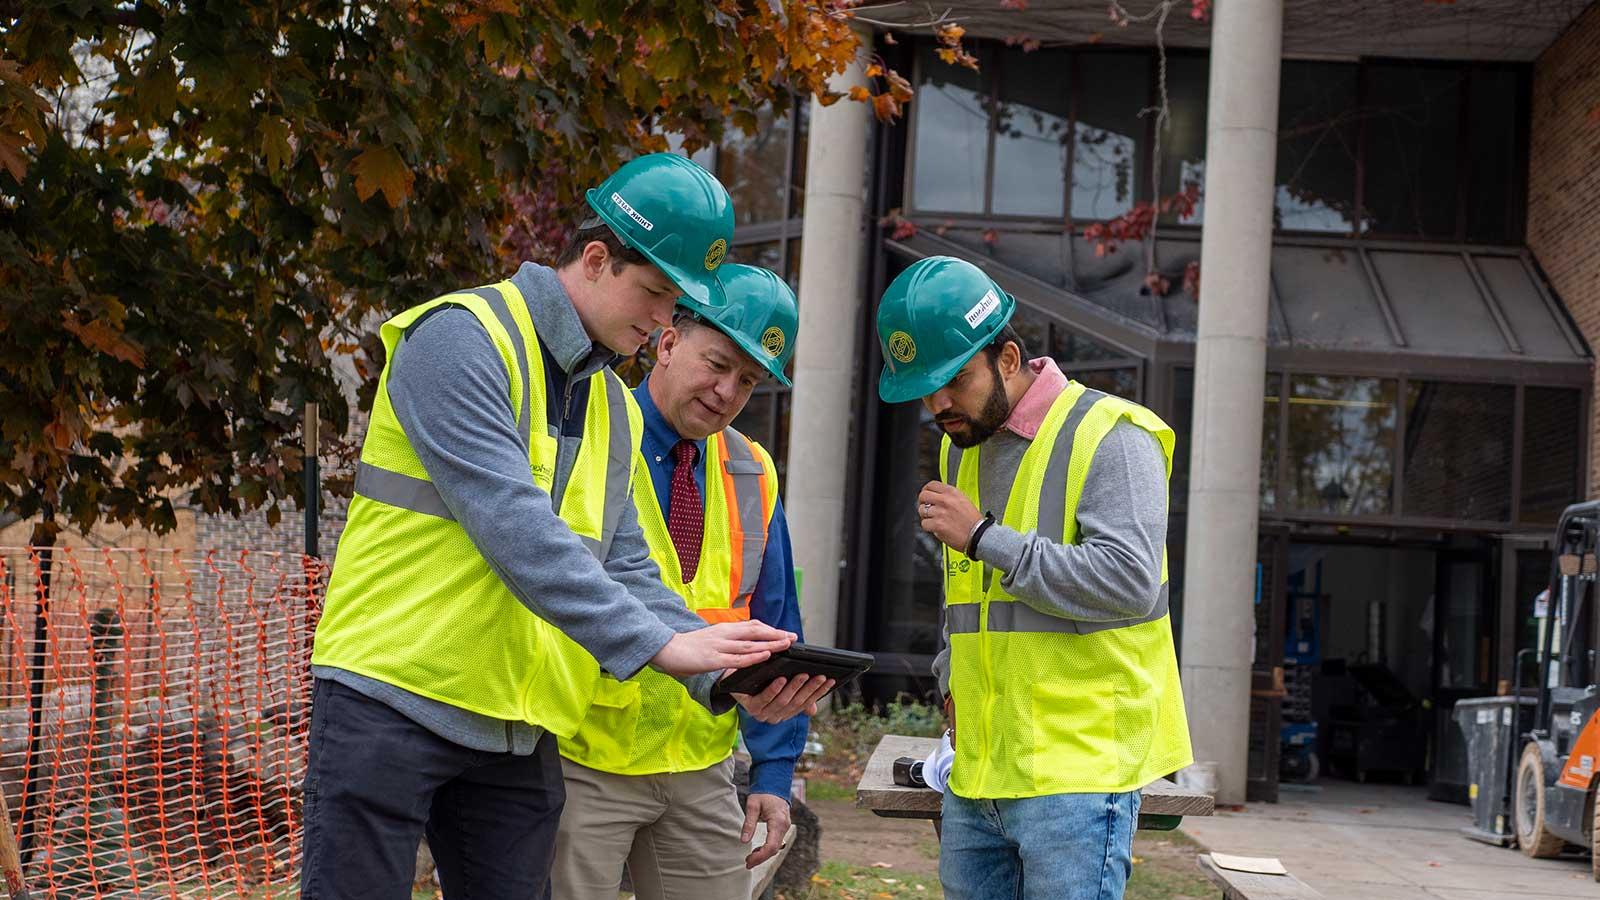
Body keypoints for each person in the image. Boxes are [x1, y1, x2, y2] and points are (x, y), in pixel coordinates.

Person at [302, 155, 813, 900]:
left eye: (676, 303)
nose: (665, 320)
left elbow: (629, 566)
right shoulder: (459, 339)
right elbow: (514, 526)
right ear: (597, 259)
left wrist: (726, 675)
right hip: (393, 699)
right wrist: (662, 645)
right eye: (657, 293)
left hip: (514, 722)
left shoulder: (605, 397)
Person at [873, 256, 1192, 900]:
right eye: (924, 391)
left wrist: (986, 538)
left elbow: (1129, 582)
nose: (938, 405)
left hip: (1077, 775)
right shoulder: (961, 442)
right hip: (979, 770)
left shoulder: (1113, 434)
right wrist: (949, 686)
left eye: (954, 381)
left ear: (1009, 358)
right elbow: (964, 598)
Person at [553, 264, 827, 900]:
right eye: (718, 364)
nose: (727, 391)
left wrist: (773, 772)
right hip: (582, 757)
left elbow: (775, 624)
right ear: (669, 344)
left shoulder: (751, 468)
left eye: (748, 381)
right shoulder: (588, 430)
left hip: (701, 763)